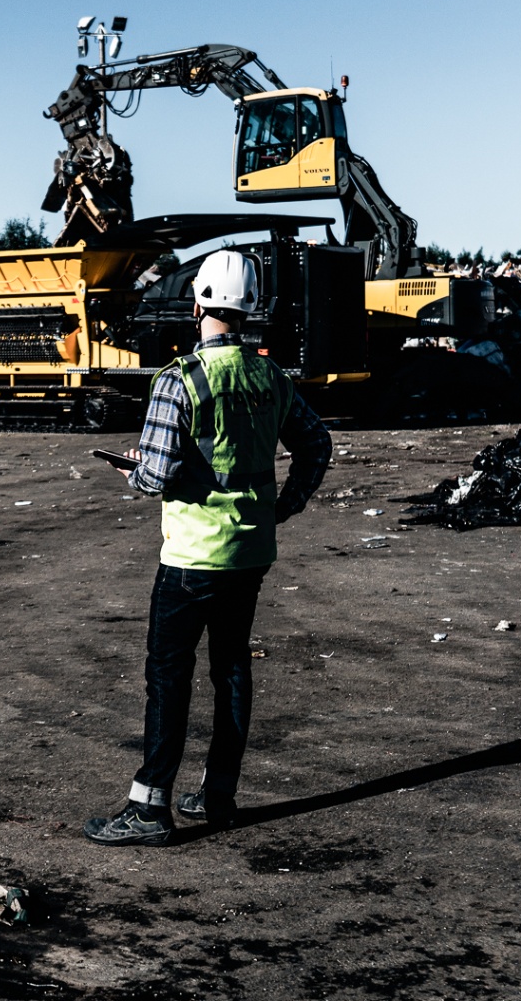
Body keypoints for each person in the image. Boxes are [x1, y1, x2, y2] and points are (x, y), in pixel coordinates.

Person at [84, 249, 333, 846]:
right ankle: (218, 794)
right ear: (250, 310)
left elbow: (159, 476)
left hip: (193, 556)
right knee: (232, 669)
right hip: (249, 552)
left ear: (196, 302)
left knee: (169, 676)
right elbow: (316, 444)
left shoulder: (179, 380)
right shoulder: (271, 375)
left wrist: (135, 473)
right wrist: (284, 505)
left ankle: (149, 808)